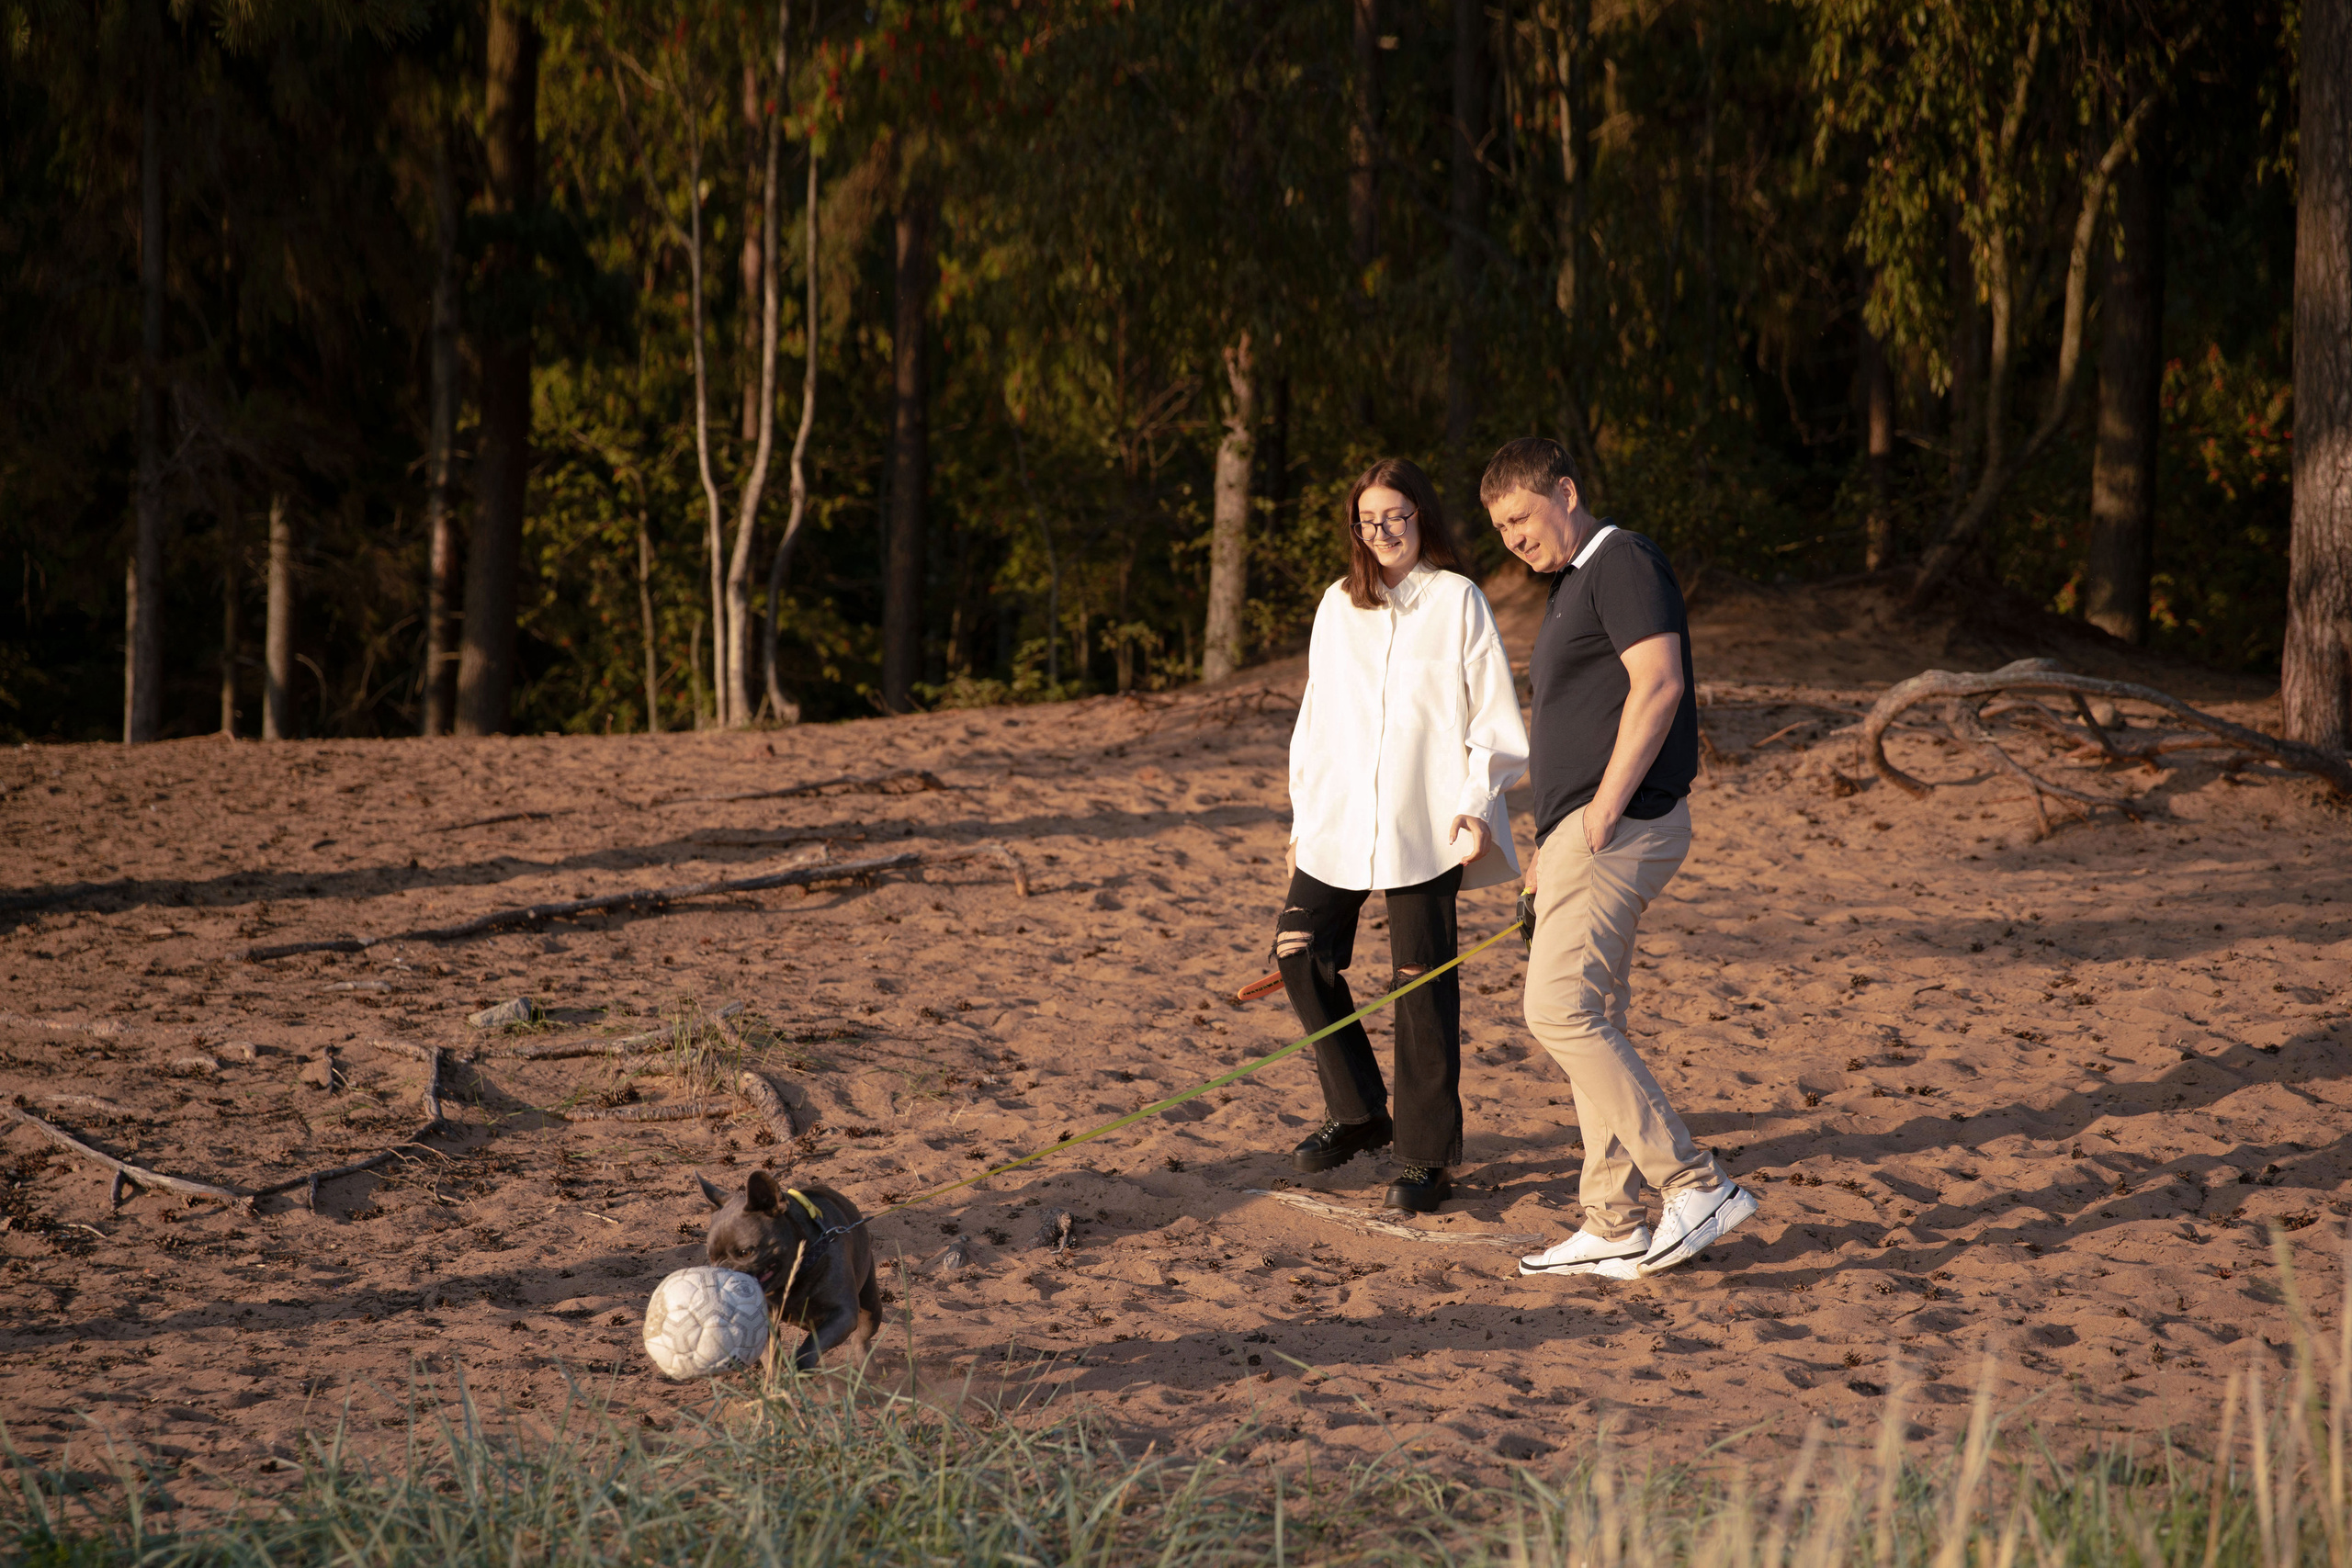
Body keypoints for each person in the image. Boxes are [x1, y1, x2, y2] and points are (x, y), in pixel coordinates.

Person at [1480, 437, 1757, 1278]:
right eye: (1500, 528)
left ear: (1566, 491)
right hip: (1582, 833)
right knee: (1591, 1015)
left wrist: (1600, 811)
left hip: (1619, 823)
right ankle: (1611, 1221)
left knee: (1557, 1010)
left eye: (1521, 516)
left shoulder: (1621, 558)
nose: (1513, 538)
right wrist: (1548, 845)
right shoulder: (1572, 582)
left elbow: (1660, 683)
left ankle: (1695, 1184)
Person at [1277, 457, 1530, 1213]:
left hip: (1428, 822)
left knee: (1420, 982)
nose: (1382, 530)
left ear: (1422, 515)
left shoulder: (1458, 600)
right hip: (1338, 818)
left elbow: (1493, 717)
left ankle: (1426, 1157)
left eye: (1395, 515)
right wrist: (1301, 818)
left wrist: (1477, 803)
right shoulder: (1336, 605)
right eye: (1368, 520)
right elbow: (1315, 720)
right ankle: (1359, 1112)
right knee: (1298, 952)